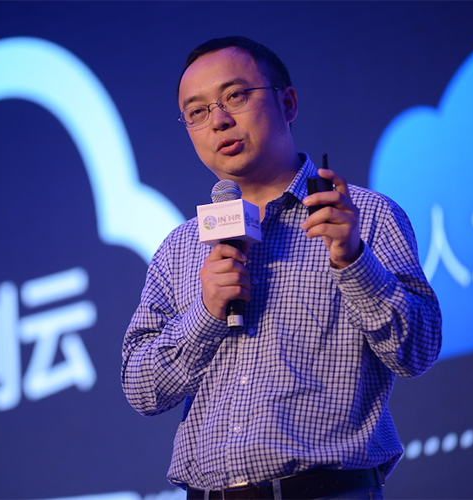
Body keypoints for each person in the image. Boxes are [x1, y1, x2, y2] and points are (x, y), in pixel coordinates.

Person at [121, 36, 441, 500]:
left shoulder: (365, 217)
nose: (219, 120)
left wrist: (352, 259)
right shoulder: (180, 248)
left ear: (287, 102)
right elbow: (142, 389)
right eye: (197, 111)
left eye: (235, 96)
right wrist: (206, 314)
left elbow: (417, 351)